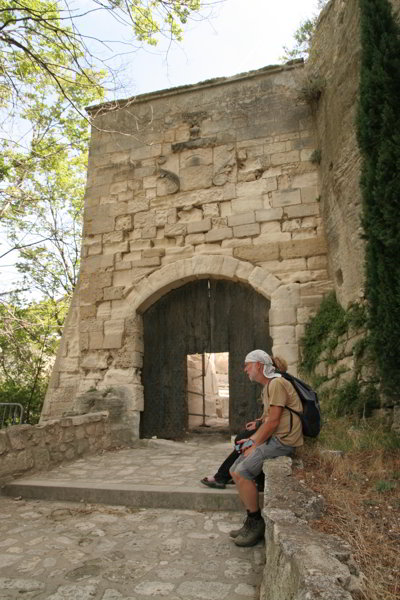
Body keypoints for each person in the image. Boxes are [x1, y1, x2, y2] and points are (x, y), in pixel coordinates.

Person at [229, 350, 304, 548]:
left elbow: (274, 422)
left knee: (242, 472)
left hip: (283, 441)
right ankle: (251, 519)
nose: (245, 369)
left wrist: (252, 443)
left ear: (260, 366)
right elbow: (269, 417)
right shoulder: (269, 385)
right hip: (273, 437)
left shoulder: (277, 383)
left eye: (248, 365)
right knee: (232, 471)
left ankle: (256, 523)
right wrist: (258, 424)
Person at [200, 419, 264, 490]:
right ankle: (225, 475)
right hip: (265, 426)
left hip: (271, 432)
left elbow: (273, 421)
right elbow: (268, 415)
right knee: (240, 442)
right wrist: (259, 422)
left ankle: (222, 476)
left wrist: (259, 429)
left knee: (243, 445)